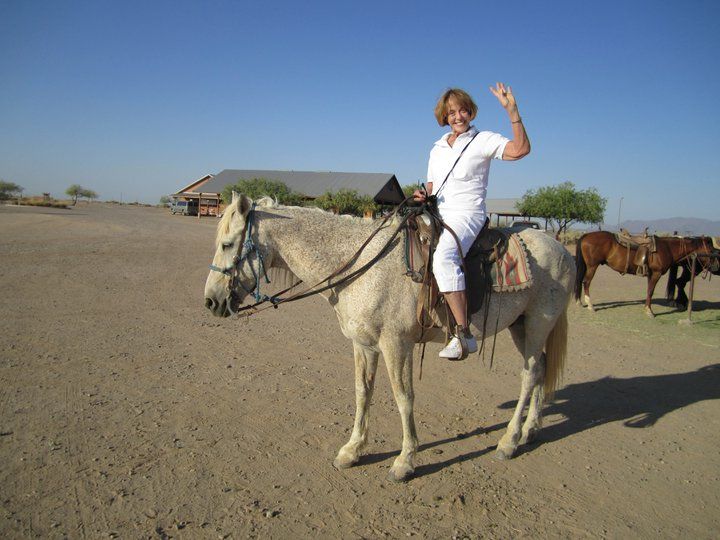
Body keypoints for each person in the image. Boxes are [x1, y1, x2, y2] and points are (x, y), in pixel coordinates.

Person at [414, 84, 531, 360]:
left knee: (444, 257)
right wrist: (422, 195)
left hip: (467, 214)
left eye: (463, 110)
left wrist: (512, 110)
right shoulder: (437, 147)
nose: (458, 116)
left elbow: (520, 150)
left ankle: (463, 334)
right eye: (451, 112)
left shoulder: (483, 140)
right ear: (444, 115)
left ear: (470, 112)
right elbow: (432, 185)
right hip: (438, 211)